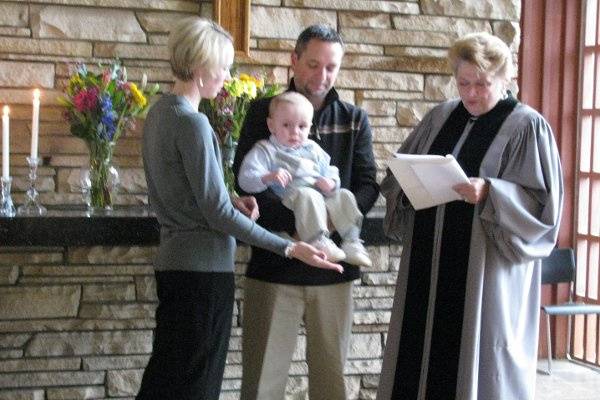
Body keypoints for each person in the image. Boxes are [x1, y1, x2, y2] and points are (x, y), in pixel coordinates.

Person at [137, 16, 342, 400]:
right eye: (224, 67)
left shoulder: (159, 114)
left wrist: (231, 197)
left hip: (174, 266)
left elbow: (185, 192)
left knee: (166, 378)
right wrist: (290, 246)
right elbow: (216, 215)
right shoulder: (193, 123)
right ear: (201, 68)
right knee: (194, 386)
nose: (228, 76)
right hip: (202, 273)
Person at [377, 32, 564, 400]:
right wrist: (409, 183)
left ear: (506, 79)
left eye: (483, 83)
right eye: (464, 83)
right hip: (428, 263)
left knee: (477, 359)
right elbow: (396, 176)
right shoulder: (439, 117)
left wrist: (491, 192)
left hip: (486, 269)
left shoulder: (527, 126)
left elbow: (543, 207)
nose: (472, 93)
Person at [232, 24, 379, 400]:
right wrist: (298, 230)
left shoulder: (354, 119)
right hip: (275, 262)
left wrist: (327, 225)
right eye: (313, 64)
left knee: (331, 384)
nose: (322, 75)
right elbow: (246, 182)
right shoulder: (263, 112)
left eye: (331, 67)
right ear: (294, 61)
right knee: (262, 383)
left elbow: (366, 185)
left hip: (334, 270)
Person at [238, 91, 372, 266]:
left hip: (321, 196)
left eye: (302, 127)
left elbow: (330, 169)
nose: (294, 132)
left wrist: (331, 182)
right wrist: (268, 176)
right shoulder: (266, 150)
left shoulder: (313, 148)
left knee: (344, 195)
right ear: (271, 125)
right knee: (309, 196)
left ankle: (352, 240)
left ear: (310, 127)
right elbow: (245, 177)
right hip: (293, 196)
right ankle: (318, 240)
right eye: (286, 125)